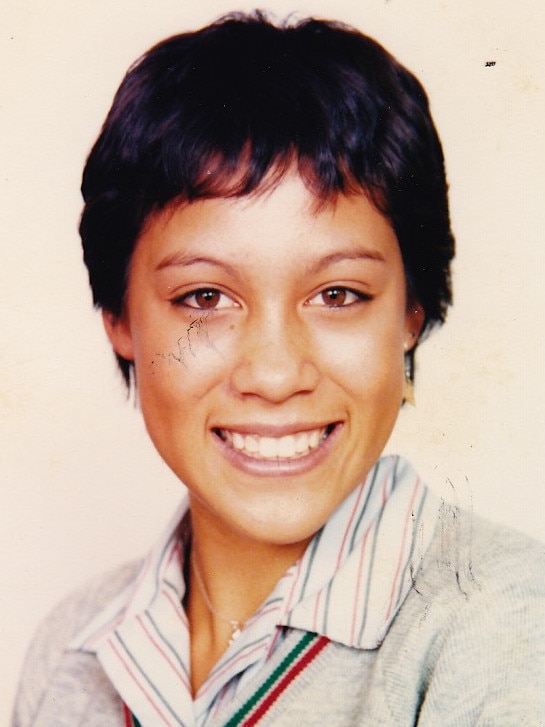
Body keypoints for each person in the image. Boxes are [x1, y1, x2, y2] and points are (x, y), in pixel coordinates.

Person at [12, 11, 544, 727]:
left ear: (411, 311)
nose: (273, 372)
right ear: (119, 316)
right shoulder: (72, 652)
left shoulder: (507, 628)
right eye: (204, 297)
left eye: (337, 294)